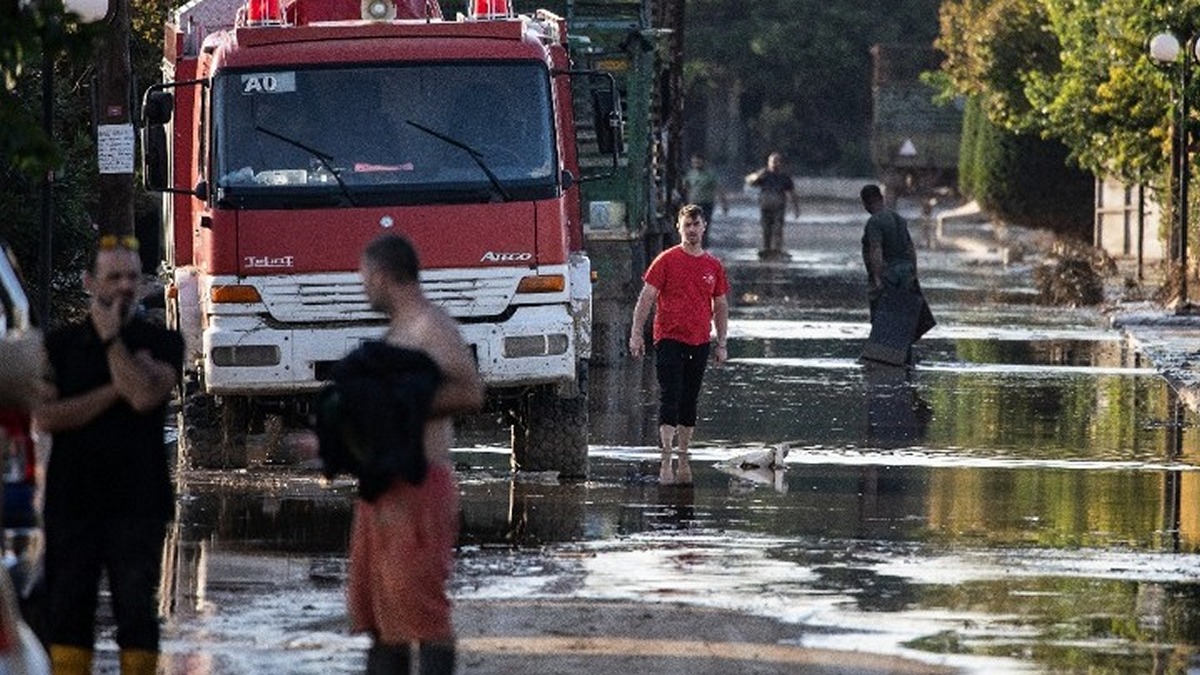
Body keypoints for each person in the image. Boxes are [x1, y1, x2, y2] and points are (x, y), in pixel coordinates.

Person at [33, 234, 184, 675]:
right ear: (89, 281)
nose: (124, 286)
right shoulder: (58, 346)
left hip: (138, 503)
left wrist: (112, 344)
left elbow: (140, 398)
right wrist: (114, 389)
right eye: (113, 276)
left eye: (133, 277)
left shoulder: (163, 342)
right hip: (72, 502)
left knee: (137, 616)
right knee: (67, 615)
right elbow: (46, 417)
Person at [345, 234, 484, 675]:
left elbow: (469, 391)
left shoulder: (430, 327)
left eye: (365, 278)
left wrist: (397, 407)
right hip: (383, 487)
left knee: (422, 614)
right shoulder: (400, 332)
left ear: (384, 276)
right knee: (380, 618)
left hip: (420, 487)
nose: (363, 288)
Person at [629, 204, 730, 486]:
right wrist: (637, 333)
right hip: (668, 337)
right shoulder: (666, 260)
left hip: (699, 339)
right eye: (688, 225)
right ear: (679, 228)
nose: (692, 230)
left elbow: (720, 305)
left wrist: (721, 343)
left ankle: (683, 453)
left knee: (690, 397)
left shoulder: (713, 265)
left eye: (696, 225)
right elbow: (646, 298)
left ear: (704, 227)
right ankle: (666, 456)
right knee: (670, 393)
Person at [858, 184, 935, 367]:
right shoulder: (898, 219)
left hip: (889, 275)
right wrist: (914, 273)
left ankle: (885, 356)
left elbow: (876, 250)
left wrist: (877, 278)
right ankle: (906, 357)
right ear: (881, 198)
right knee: (905, 319)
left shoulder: (874, 222)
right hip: (906, 273)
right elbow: (911, 249)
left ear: (866, 203)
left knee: (883, 317)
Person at [744, 152, 800, 260]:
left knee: (778, 229)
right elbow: (749, 181)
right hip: (765, 206)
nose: (774, 164)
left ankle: (777, 250)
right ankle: (766, 249)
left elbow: (792, 193)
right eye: (772, 161)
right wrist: (756, 176)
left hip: (779, 207)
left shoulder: (784, 177)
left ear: (780, 163)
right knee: (766, 228)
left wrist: (796, 208)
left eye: (777, 161)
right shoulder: (763, 174)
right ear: (768, 163)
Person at [682, 153, 728, 248]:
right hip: (694, 204)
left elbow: (719, 189)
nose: (696, 164)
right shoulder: (690, 174)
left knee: (704, 225)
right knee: (692, 225)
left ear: (703, 162)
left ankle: (703, 246)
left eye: (698, 162)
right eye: (694, 162)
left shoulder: (710, 175)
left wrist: (724, 203)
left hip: (707, 204)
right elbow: (685, 188)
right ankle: (693, 245)